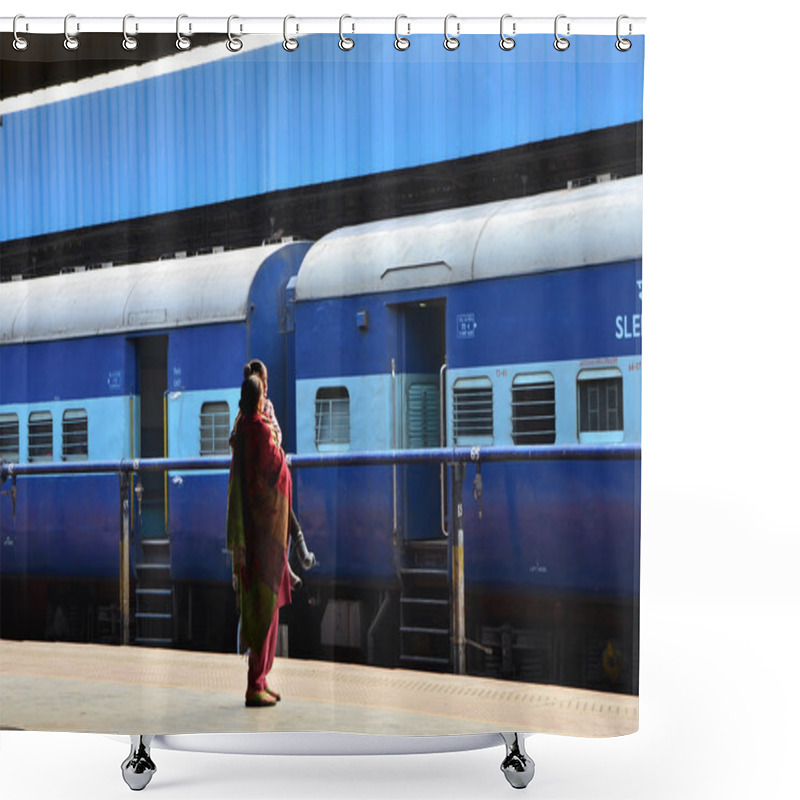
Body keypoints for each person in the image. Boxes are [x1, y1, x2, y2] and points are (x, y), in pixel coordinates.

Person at [226, 373, 293, 707]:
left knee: (262, 606)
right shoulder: (259, 431)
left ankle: (262, 679)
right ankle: (255, 684)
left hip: (257, 533)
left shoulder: (242, 429)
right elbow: (277, 465)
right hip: (265, 534)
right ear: (258, 397)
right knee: (264, 609)